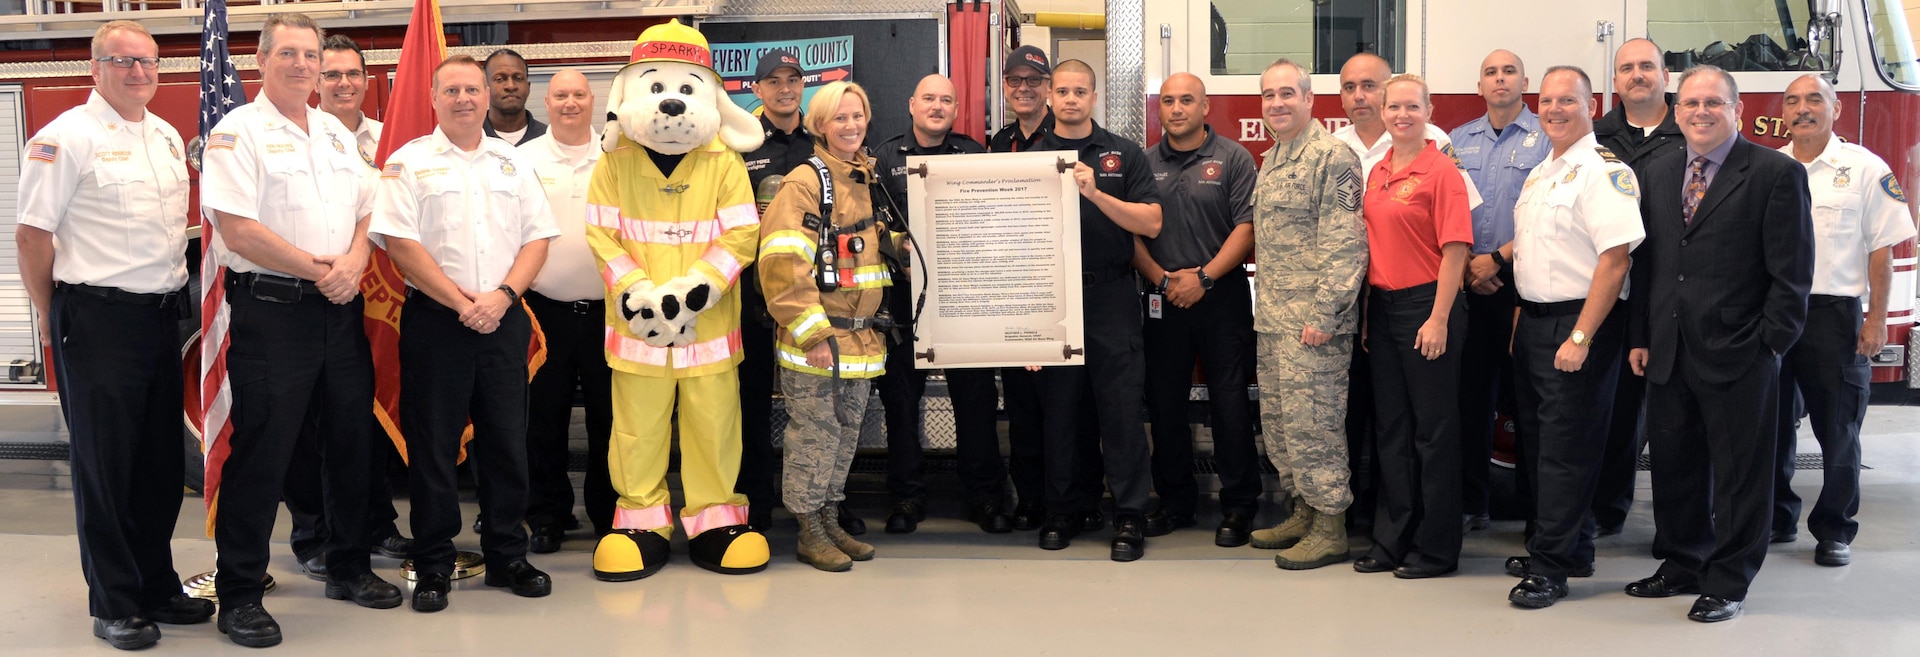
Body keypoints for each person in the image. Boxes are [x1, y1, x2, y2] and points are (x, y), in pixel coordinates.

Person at [198, 13, 401, 646]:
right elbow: (239, 230)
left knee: (349, 443)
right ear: (262, 60)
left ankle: (348, 566)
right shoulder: (237, 133)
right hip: (273, 312)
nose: (302, 64)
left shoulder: (337, 137)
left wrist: (358, 258)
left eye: (310, 54)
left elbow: (372, 205)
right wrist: (322, 269)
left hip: (337, 312)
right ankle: (239, 593)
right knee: (264, 451)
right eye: (287, 53)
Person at [15, 20, 213, 651]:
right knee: (106, 466)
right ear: (94, 69)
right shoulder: (64, 138)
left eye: (148, 62)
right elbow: (32, 237)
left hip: (158, 315)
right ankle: (115, 600)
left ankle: (156, 584)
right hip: (95, 319)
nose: (139, 72)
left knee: (158, 466)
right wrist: (55, 318)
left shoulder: (162, 137)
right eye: (123, 61)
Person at [1625, 64, 1813, 623]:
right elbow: (1651, 262)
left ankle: (1729, 578)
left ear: (1736, 110)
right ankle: (1683, 561)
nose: (1701, 112)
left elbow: (1792, 273)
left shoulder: (1774, 173)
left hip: (1741, 350)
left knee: (1739, 474)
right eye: (1691, 103)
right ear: (1676, 111)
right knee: (1675, 464)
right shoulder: (1658, 171)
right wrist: (1641, 335)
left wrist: (1768, 344)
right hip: (1669, 346)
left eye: (1714, 103)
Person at [371, 54, 559, 613]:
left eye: (472, 89)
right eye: (451, 90)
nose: (464, 99)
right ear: (432, 97)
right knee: (432, 448)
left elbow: (538, 238)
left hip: (502, 319)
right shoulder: (407, 163)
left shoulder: (513, 162)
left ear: (486, 96)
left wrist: (502, 299)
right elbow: (401, 245)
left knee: (506, 442)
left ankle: (507, 555)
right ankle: (432, 564)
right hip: (437, 323)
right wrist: (460, 302)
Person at [1500, 66, 1645, 609]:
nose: (1555, 109)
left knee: (1567, 449)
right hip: (1537, 322)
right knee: (1540, 444)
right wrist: (1523, 318)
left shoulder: (1603, 171)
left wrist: (1582, 335)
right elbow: (1536, 253)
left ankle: (1550, 569)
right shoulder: (1543, 171)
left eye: (1569, 101)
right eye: (1548, 101)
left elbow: (1615, 260)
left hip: (1578, 324)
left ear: (1592, 105)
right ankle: (1569, 545)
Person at [281, 32, 412, 582]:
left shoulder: (391, 140)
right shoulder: (306, 137)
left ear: (367, 79)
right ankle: (313, 531)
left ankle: (374, 522)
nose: (341, 83)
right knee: (310, 425)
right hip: (322, 295)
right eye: (329, 73)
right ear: (315, 80)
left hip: (379, 302)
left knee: (369, 418)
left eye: (350, 74)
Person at [1771, 73, 1914, 565]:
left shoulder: (1864, 169)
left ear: (1835, 109)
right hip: (1773, 314)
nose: (1802, 108)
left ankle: (1834, 528)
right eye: (1792, 101)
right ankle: (1775, 517)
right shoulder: (1768, 167)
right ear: (1783, 112)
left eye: (1814, 99)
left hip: (1834, 316)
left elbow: (1882, 252)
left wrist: (1876, 321)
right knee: (1768, 424)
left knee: (1839, 429)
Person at [1030, 60, 1164, 561]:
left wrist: (1095, 191)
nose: (1069, 99)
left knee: (1121, 408)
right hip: (1053, 295)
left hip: (1109, 294)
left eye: (1079, 91)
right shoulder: (1030, 156)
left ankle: (1129, 513)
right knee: (1060, 409)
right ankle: (1063, 508)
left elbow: (1150, 223)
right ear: (1048, 96)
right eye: (1061, 90)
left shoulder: (1122, 154)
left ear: (1094, 96)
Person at [758, 81, 890, 572]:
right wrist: (813, 335)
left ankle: (829, 517)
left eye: (857, 116)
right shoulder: (805, 183)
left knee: (845, 434)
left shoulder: (865, 178)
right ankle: (809, 530)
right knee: (813, 436)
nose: (851, 125)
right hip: (820, 342)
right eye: (840, 118)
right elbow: (780, 266)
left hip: (859, 338)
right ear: (820, 125)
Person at [871, 74, 1011, 534]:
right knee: (901, 402)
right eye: (928, 98)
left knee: (975, 402)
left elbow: (992, 222)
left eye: (946, 100)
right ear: (912, 104)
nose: (936, 106)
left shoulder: (972, 155)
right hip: (899, 302)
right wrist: (898, 251)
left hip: (961, 301)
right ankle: (907, 499)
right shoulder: (883, 158)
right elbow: (867, 227)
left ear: (956, 109)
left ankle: (986, 497)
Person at [1243, 59, 1367, 570]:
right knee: (1280, 425)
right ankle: (1302, 509)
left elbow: (1346, 245)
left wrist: (1326, 313)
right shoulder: (1272, 159)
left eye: (1287, 93)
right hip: (1273, 321)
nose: (1277, 103)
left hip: (1313, 325)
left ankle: (1330, 525)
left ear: (1310, 100)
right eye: (1269, 95)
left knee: (1315, 425)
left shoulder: (1332, 158)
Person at [1352, 74, 1472, 580]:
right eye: (1393, 107)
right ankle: (1392, 539)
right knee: (1392, 433)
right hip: (1382, 309)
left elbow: (1457, 250)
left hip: (1429, 306)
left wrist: (1439, 318)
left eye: (1412, 107)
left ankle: (1437, 549)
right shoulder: (1377, 170)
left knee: (1434, 434)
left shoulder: (1441, 171)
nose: (1402, 115)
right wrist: (1365, 317)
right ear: (1382, 112)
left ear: (1428, 110)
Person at [1134, 72, 1260, 546]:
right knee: (1165, 404)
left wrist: (1204, 278)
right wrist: (1163, 280)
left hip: (1220, 294)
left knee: (1230, 403)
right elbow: (1133, 233)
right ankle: (1174, 503)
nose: (1177, 108)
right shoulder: (1143, 164)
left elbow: (1246, 228)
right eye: (1168, 100)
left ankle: (1240, 505)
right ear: (1160, 109)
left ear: (1205, 107)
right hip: (1164, 295)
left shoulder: (1233, 158)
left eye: (1187, 100)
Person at [990, 45, 1106, 534]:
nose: (1025, 89)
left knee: (1072, 412)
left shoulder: (1067, 145)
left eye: (1036, 83)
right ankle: (1033, 500)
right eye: (1015, 81)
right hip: (1019, 291)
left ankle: (1076, 500)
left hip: (1073, 294)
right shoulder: (997, 144)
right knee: (1023, 408)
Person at [735, 50, 841, 534]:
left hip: (816, 302)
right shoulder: (737, 146)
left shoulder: (825, 144)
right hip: (753, 300)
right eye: (772, 81)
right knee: (750, 406)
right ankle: (754, 508)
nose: (784, 88)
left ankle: (826, 508)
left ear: (805, 86)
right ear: (755, 90)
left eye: (793, 79)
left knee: (821, 409)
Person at [1449, 50, 1550, 531]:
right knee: (1470, 400)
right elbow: (1444, 210)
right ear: (1479, 84)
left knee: (1528, 401)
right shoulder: (1457, 141)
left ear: (1524, 81)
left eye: (1509, 71)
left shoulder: (1547, 138)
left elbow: (1547, 215)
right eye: (1490, 71)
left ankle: (1535, 512)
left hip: (1522, 279)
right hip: (1468, 278)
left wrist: (1498, 259)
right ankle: (1472, 502)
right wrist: (1470, 262)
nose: (1500, 78)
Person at [1590, 37, 1685, 536]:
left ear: (1665, 76)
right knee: (1616, 409)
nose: (1637, 75)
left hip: (1672, 286)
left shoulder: (1688, 129)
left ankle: (1679, 527)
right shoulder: (1597, 135)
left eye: (1647, 66)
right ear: (1615, 82)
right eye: (1626, 68)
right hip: (1612, 287)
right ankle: (1607, 513)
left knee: (1674, 416)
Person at [518, 69, 616, 551]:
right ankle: (547, 515)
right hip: (542, 310)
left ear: (592, 100)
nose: (570, 103)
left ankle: (609, 514)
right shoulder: (522, 159)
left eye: (579, 94)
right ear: (547, 102)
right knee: (543, 418)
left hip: (611, 312)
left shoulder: (619, 156)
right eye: (561, 95)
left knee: (611, 418)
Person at [482, 48, 546, 146]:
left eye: (518, 78)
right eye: (500, 79)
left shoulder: (547, 138)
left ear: (528, 87)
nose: (511, 86)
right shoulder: (471, 137)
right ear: (485, 88)